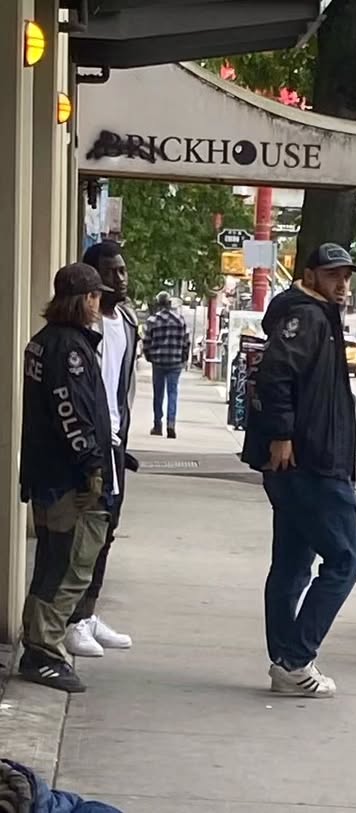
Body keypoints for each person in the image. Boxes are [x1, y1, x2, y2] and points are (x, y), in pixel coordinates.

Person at [242, 243, 356, 698]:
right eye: (334, 275)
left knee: (293, 562)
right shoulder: (308, 317)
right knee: (344, 559)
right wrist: (283, 434)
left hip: (306, 458)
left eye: (347, 276)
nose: (343, 284)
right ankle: (295, 658)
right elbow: (276, 375)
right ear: (310, 275)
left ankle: (285, 659)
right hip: (312, 461)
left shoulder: (315, 315)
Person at [18, 263, 114, 693]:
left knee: (53, 563)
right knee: (70, 565)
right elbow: (71, 414)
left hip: (48, 473)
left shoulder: (43, 343)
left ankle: (40, 646)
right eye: (96, 296)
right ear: (85, 299)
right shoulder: (68, 351)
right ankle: (43, 652)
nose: (99, 304)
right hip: (67, 480)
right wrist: (92, 466)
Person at [64, 241, 138, 657]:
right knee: (82, 534)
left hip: (114, 443)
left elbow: (120, 387)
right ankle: (71, 621)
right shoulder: (80, 329)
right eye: (111, 272)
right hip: (87, 443)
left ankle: (87, 614)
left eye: (123, 271)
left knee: (106, 532)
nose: (120, 279)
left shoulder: (126, 324)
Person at [142, 291, 190, 438]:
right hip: (175, 362)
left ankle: (157, 424)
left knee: (158, 394)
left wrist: (149, 356)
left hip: (158, 361)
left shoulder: (152, 320)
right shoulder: (180, 320)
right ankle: (171, 424)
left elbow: (146, 342)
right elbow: (186, 342)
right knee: (172, 392)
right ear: (169, 303)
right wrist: (184, 358)